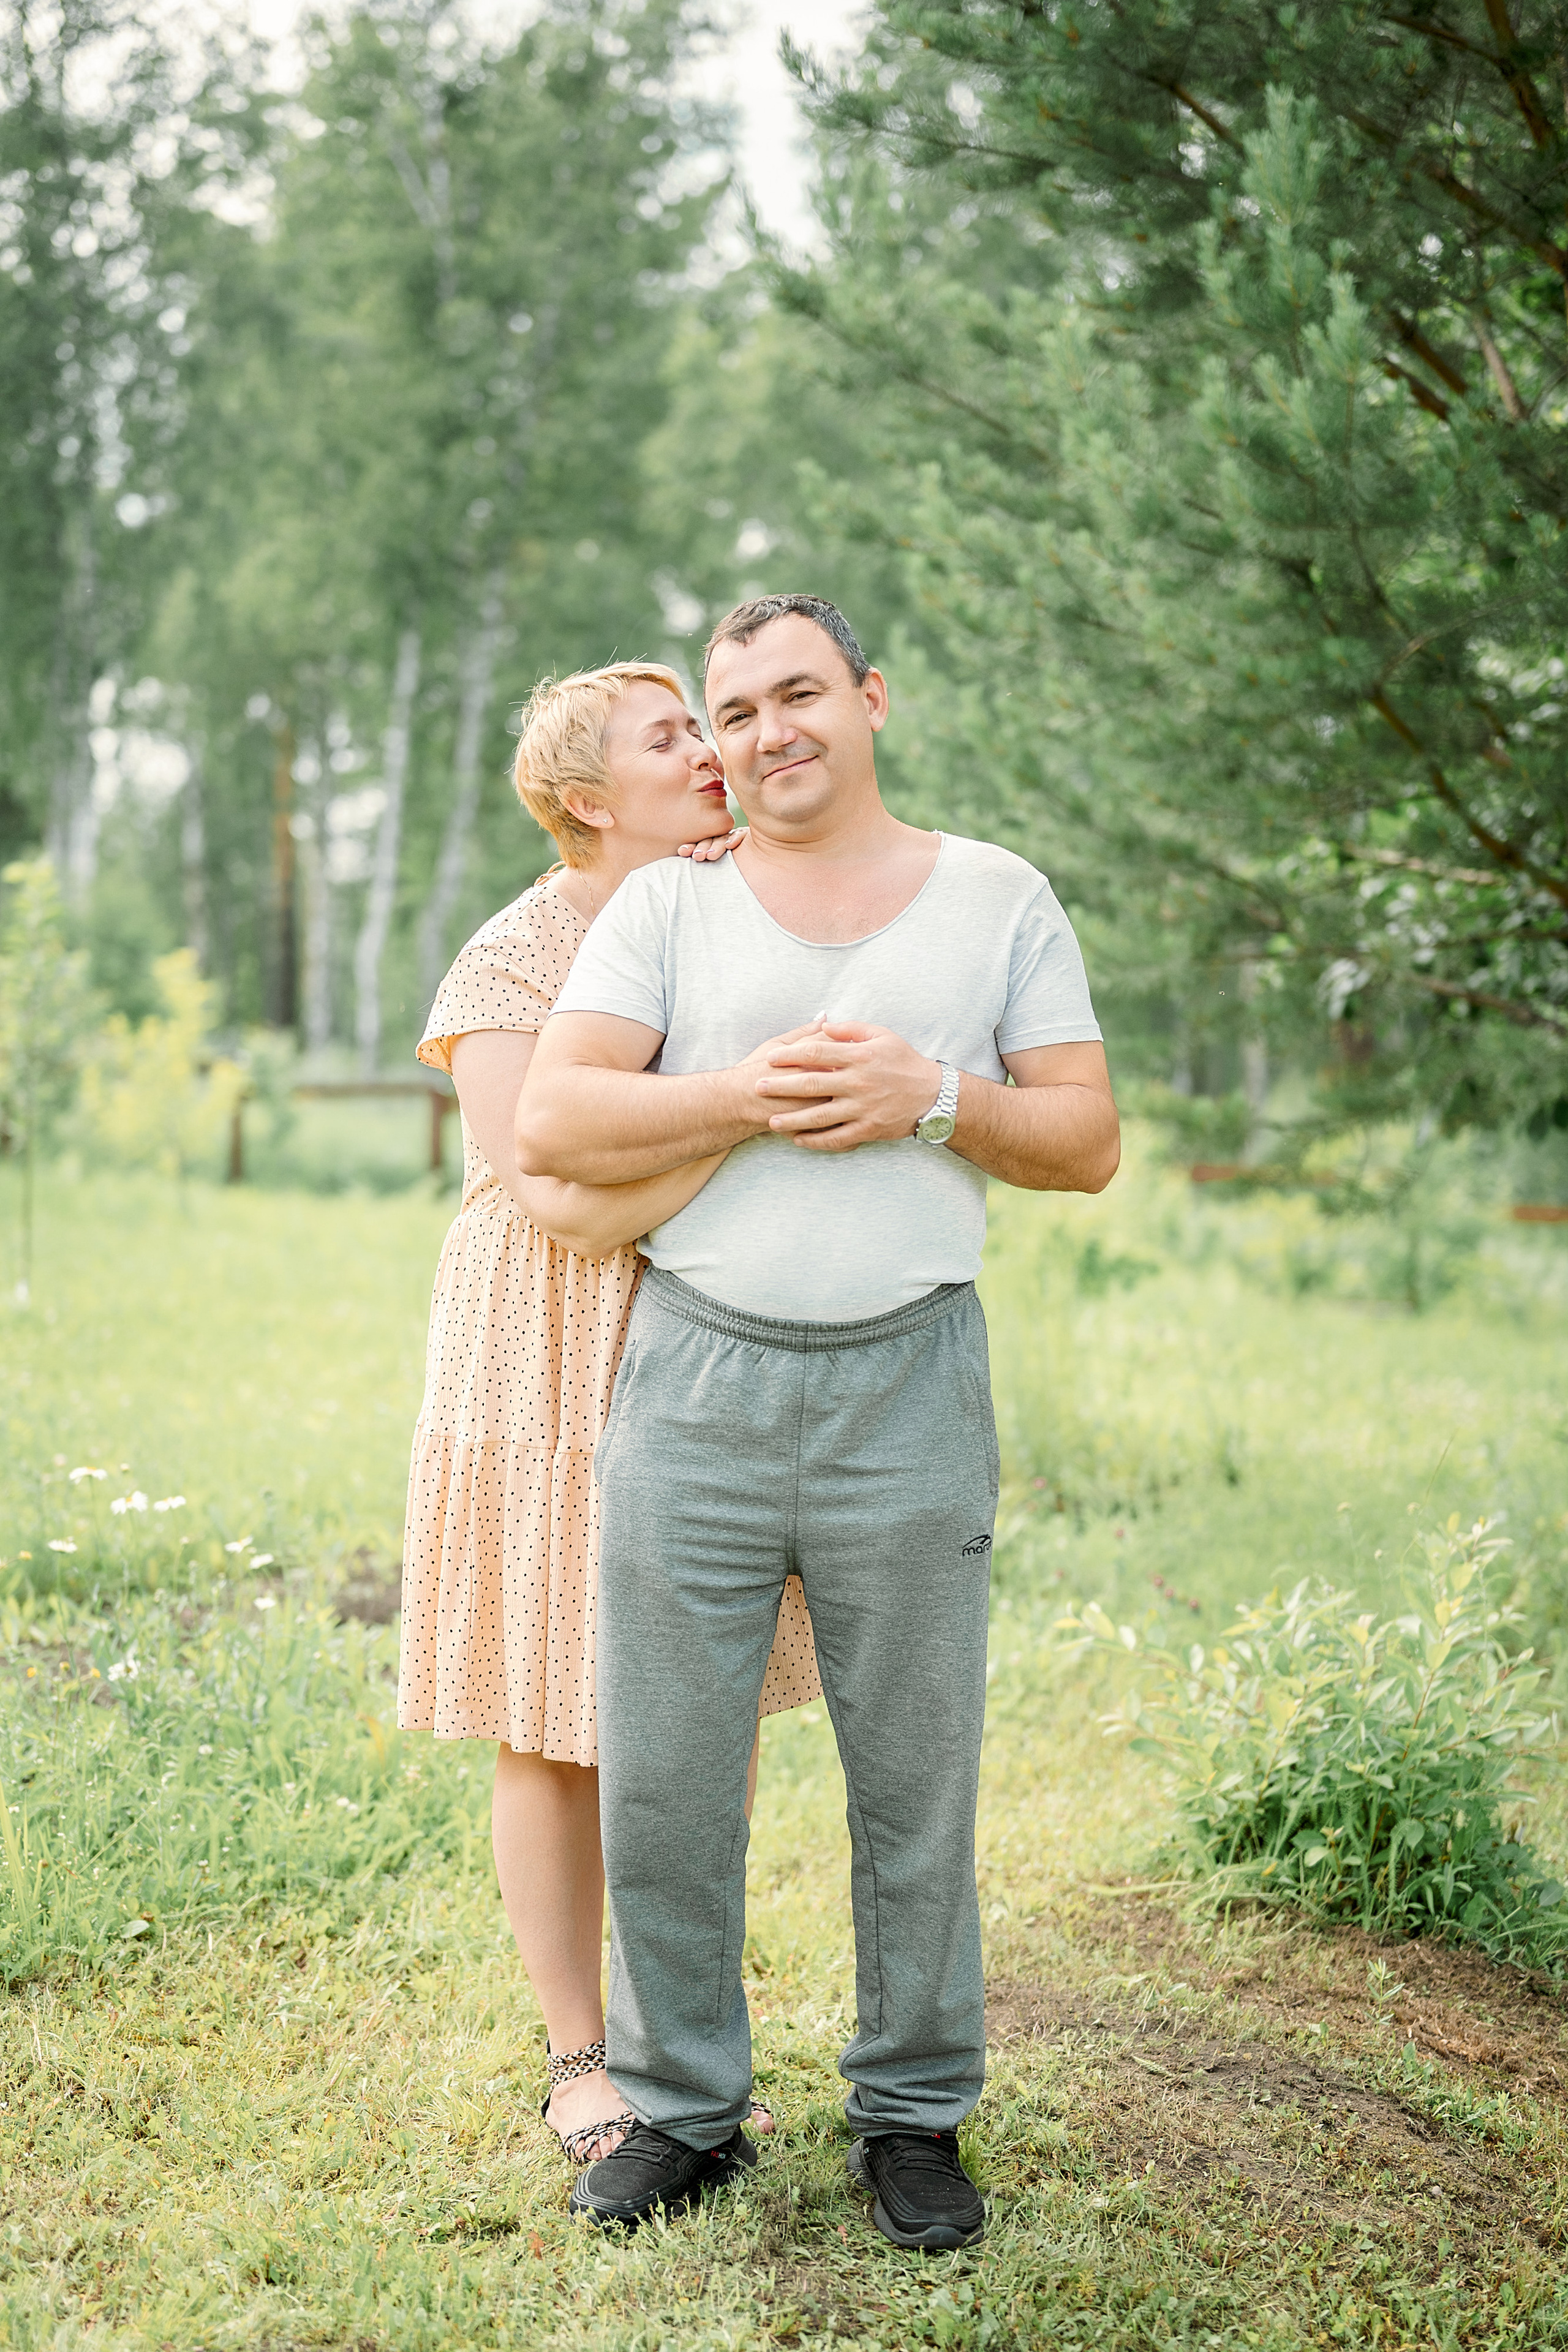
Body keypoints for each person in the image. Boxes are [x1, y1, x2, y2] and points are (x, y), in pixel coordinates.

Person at [516, 594, 1119, 2249]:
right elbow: (557, 1114)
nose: (766, 731)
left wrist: (933, 1098)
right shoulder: (668, 907)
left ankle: (915, 2116)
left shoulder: (999, 897)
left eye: (799, 694)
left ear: (871, 697)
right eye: (730, 711)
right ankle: (684, 2110)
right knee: (663, 1774)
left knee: (916, 1775)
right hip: (695, 1376)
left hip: (910, 1381)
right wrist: (750, 1089)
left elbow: (1085, 1138)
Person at [397, 659, 821, 2170]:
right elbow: (547, 1195)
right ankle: (583, 2059)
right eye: (670, 737)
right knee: (552, 1710)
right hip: (543, 1349)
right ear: (585, 798)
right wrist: (743, 1132)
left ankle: (680, 2050)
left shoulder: (717, 907)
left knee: (690, 1715)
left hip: (700, 1331)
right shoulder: (515, 957)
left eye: (700, 728)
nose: (710, 753)